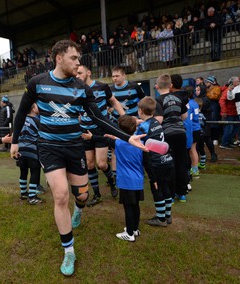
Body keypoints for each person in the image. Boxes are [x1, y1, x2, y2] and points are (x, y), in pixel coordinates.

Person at [10, 40, 145, 276]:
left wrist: (126, 136)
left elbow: (100, 119)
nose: (78, 63)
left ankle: (80, 208)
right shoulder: (37, 83)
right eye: (74, 58)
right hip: (49, 147)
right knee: (61, 195)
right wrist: (14, 141)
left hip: (75, 147)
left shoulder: (83, 88)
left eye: (79, 59)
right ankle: (69, 251)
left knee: (81, 195)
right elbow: (21, 111)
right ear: (59, 57)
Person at [82, 115, 146, 241]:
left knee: (128, 207)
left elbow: (103, 140)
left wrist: (91, 137)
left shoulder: (119, 144)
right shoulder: (141, 143)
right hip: (138, 181)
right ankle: (135, 229)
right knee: (135, 206)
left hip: (126, 182)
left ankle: (129, 233)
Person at [76, 65, 125, 206]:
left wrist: (125, 118)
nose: (77, 75)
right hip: (85, 131)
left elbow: (114, 102)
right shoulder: (76, 90)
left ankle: (112, 182)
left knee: (102, 164)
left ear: (88, 73)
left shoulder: (102, 87)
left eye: (80, 73)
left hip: (100, 130)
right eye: (76, 73)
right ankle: (97, 195)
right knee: (90, 164)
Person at [135, 97, 175, 227]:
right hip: (167, 159)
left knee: (156, 187)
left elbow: (135, 139)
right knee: (166, 188)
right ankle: (168, 216)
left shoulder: (142, 127)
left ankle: (160, 218)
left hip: (155, 162)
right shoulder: (156, 122)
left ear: (140, 111)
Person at [154, 74, 188, 202]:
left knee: (169, 163)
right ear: (170, 85)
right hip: (181, 133)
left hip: (167, 134)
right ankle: (182, 192)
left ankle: (171, 194)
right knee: (181, 162)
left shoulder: (157, 100)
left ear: (157, 86)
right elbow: (184, 116)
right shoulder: (178, 99)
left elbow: (159, 119)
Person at [17, 103, 43, 204]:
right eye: (36, 106)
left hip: (21, 150)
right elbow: (41, 136)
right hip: (32, 150)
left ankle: (23, 193)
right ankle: (32, 196)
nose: (38, 107)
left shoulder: (20, 119)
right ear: (33, 109)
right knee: (35, 171)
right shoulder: (37, 120)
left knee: (23, 171)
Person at [219, 77, 240, 149]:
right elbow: (222, 101)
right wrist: (224, 111)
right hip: (229, 113)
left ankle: (228, 142)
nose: (239, 83)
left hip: (233, 112)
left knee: (234, 128)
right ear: (233, 83)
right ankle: (224, 143)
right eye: (237, 82)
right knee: (229, 128)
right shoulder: (228, 90)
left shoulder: (233, 89)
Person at [205, 76, 222, 145]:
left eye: (207, 82)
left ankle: (215, 138)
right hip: (209, 107)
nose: (206, 83)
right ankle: (210, 138)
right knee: (209, 123)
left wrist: (208, 94)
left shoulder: (217, 88)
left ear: (211, 82)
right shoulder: (207, 89)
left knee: (215, 122)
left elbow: (214, 96)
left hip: (215, 106)